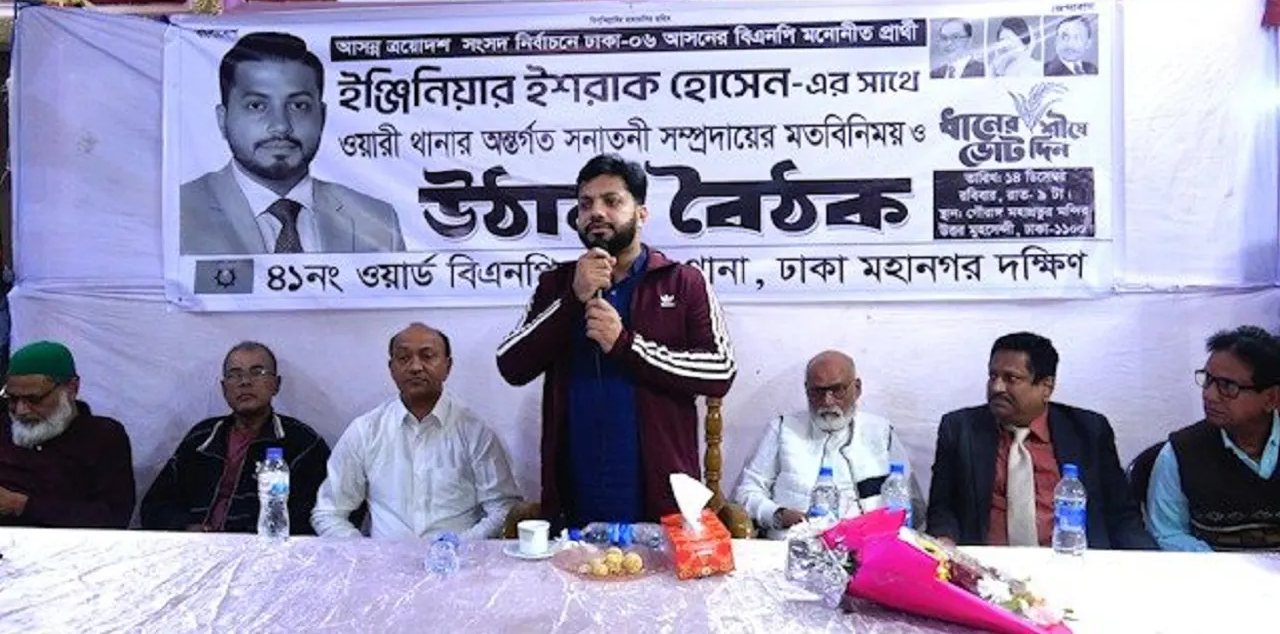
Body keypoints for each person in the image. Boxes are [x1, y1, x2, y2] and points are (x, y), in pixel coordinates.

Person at [496, 154, 736, 528]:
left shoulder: (682, 282)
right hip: (576, 494)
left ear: (641, 214)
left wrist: (626, 345)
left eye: (612, 201)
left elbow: (720, 371)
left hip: (660, 496)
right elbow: (511, 365)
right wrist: (572, 299)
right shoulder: (557, 284)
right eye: (586, 204)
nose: (596, 212)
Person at [180, 31, 406, 255]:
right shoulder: (178, 212)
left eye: (299, 106)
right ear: (223, 119)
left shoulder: (376, 221)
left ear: (322, 116)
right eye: (257, 106)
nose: (280, 126)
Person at [926, 332, 1153, 549]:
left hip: (1070, 560)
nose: (997, 387)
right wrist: (945, 540)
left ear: (1046, 387)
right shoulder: (960, 429)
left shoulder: (1088, 431)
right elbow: (942, 508)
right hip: (986, 565)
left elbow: (1121, 514)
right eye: (993, 376)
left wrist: (1149, 562)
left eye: (1011, 379)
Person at [312, 323, 520, 540]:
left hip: (460, 557)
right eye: (403, 358)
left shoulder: (475, 432)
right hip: (383, 558)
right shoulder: (366, 431)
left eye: (427, 356)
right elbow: (329, 513)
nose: (415, 367)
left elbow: (504, 508)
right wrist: (364, 553)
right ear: (391, 368)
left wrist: (458, 547)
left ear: (448, 366)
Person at [139, 341, 332, 534]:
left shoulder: (303, 443)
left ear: (276, 384)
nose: (245, 382)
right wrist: (187, 527)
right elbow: (156, 505)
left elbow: (318, 514)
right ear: (224, 388)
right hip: (195, 546)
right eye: (235, 374)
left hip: (266, 548)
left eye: (257, 372)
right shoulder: (201, 438)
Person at [733, 350, 924, 538]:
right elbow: (746, 492)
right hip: (793, 542)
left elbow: (911, 502)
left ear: (857, 388)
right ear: (807, 390)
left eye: (838, 390)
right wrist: (778, 515)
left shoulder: (881, 433)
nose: (827, 401)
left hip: (867, 544)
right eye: (818, 391)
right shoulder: (782, 429)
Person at [1147, 326, 1280, 551]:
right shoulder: (1181, 453)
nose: (1209, 395)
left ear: (1271, 399)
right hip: (1211, 570)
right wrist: (1220, 566)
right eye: (1208, 379)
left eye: (1228, 386)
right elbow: (1168, 533)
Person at [0, 341, 135, 528]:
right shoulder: (4, 427)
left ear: (72, 388)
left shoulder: (103, 437)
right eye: (13, 399)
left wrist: (21, 505)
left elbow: (113, 517)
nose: (21, 410)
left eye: (34, 399)